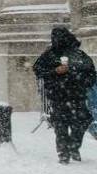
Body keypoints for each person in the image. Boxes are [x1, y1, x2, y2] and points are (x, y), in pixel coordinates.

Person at [33, 27, 96, 164]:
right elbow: (38, 69)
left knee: (80, 121)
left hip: (76, 95)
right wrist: (55, 71)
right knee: (61, 125)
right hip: (58, 95)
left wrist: (76, 75)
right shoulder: (49, 55)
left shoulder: (78, 55)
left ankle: (72, 147)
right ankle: (64, 152)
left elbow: (91, 74)